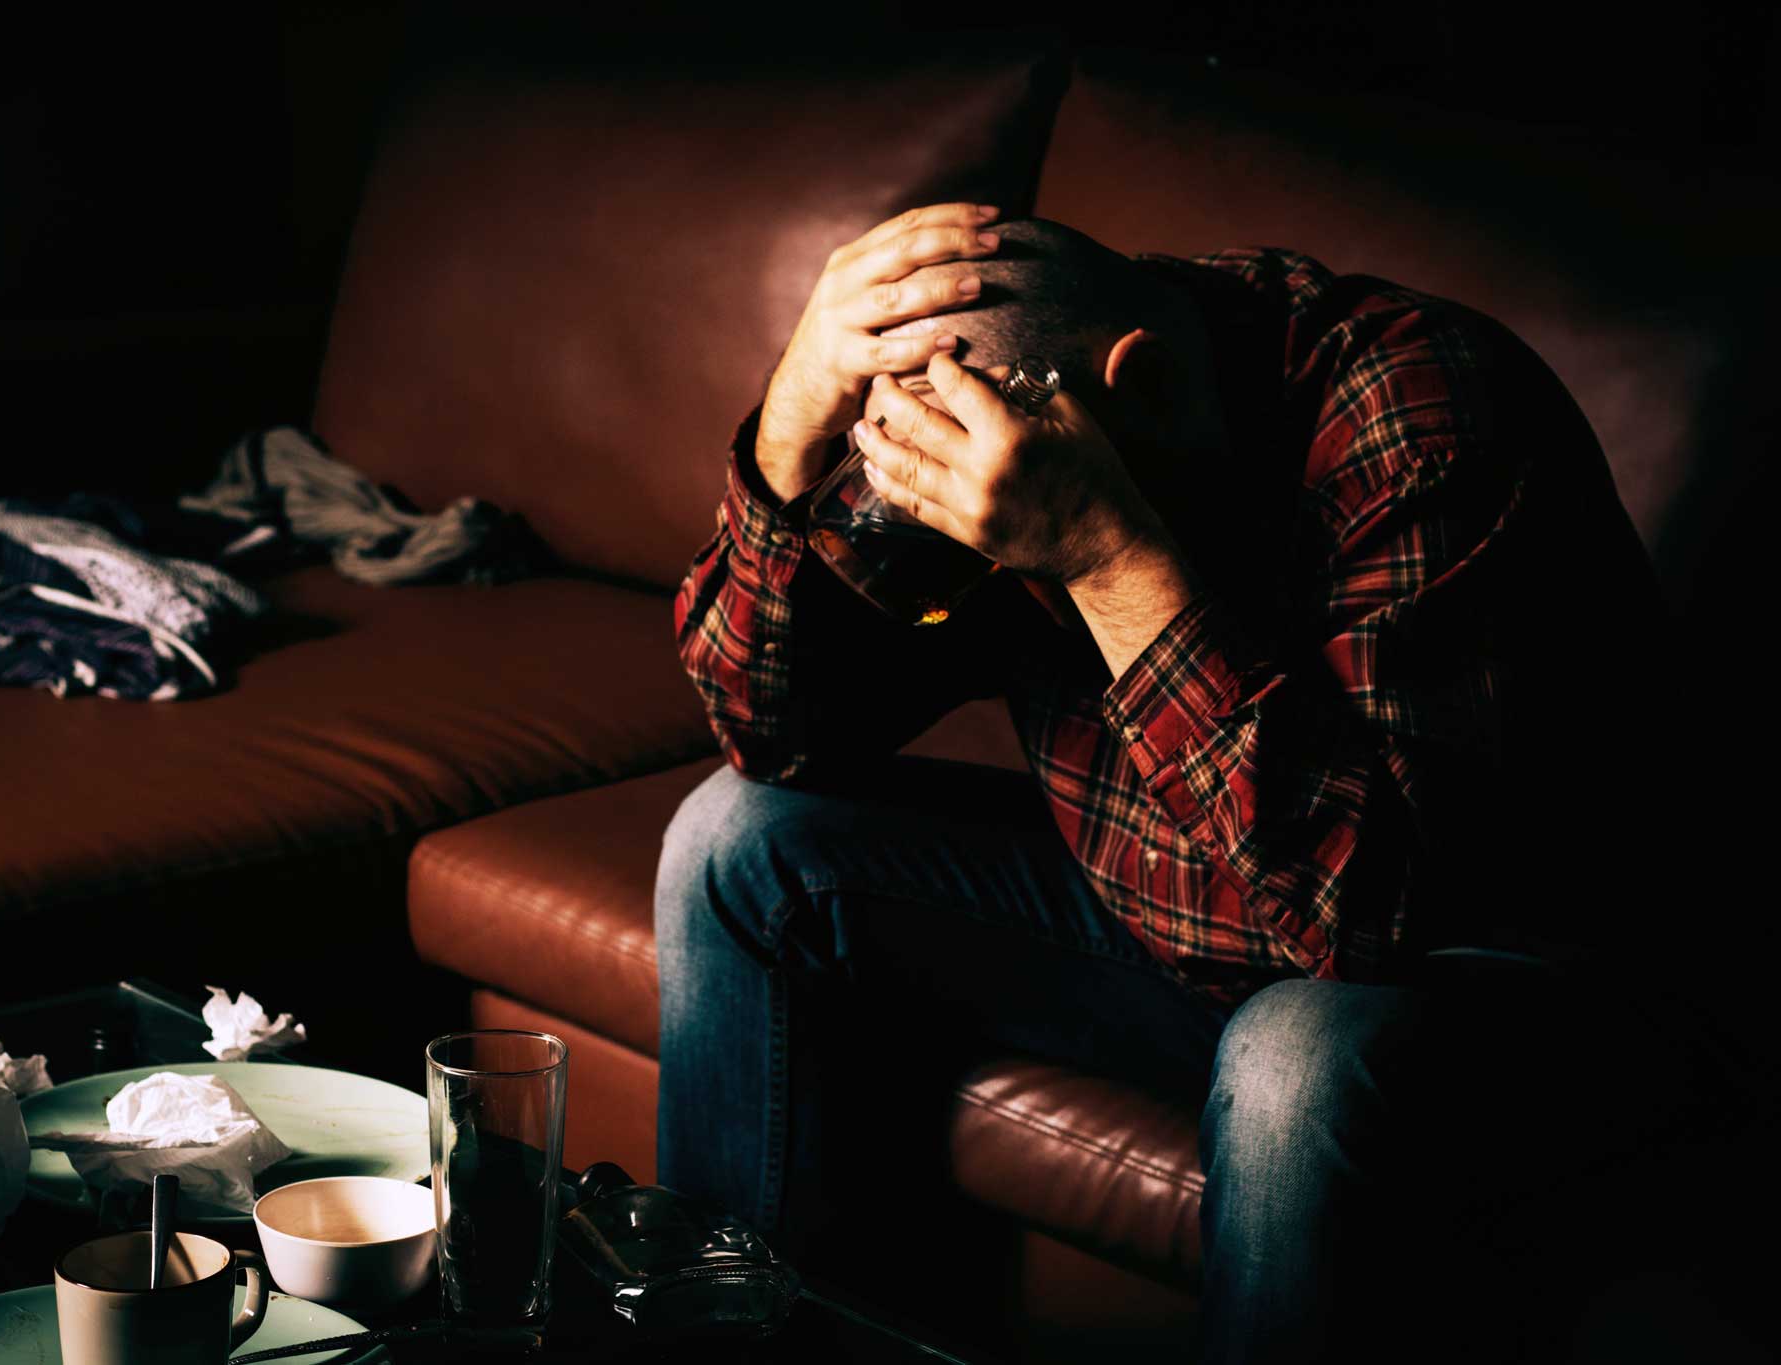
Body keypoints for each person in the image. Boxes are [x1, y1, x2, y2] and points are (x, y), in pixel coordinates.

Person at [656, 205, 1754, 1362]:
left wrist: (1099, 552)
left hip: (1498, 976)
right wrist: (786, 439)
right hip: (1188, 913)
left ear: (1134, 384)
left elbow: (1361, 920)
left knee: (1294, 1057)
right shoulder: (992, 395)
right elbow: (767, 734)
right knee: (742, 841)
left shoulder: (1419, 421)